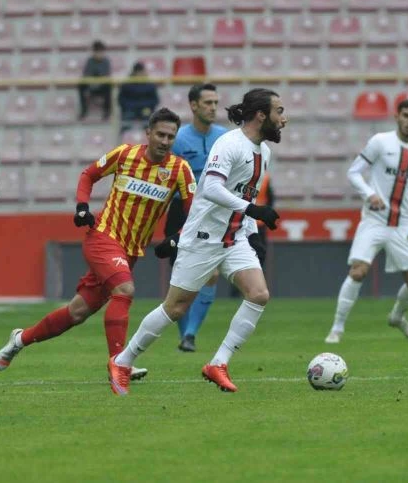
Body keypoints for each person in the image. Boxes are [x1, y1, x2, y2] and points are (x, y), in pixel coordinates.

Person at [107, 88, 287, 396]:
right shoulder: (229, 143)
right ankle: (123, 361)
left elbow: (246, 194)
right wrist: (253, 211)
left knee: (258, 294)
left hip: (233, 238)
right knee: (175, 308)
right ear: (261, 115)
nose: (284, 119)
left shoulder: (264, 152)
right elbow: (212, 188)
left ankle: (218, 363)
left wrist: (253, 234)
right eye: (279, 112)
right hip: (203, 237)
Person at [0, 108, 195, 381]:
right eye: (160, 134)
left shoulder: (180, 170)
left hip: (129, 251)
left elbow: (196, 211)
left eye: (171, 136)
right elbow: (89, 174)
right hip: (103, 236)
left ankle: (19, 340)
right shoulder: (124, 155)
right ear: (148, 133)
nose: (165, 141)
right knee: (124, 290)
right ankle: (119, 363)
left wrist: (177, 237)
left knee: (77, 312)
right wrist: (82, 207)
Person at [324, 99, 408, 344]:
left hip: (403, 224)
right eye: (406, 116)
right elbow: (353, 172)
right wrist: (370, 194)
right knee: (358, 271)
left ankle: (397, 318)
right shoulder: (380, 142)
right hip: (374, 220)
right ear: (397, 117)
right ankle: (337, 329)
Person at [164, 83, 229, 352]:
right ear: (193, 106)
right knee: (181, 275)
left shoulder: (225, 138)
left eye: (215, 103)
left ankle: (190, 334)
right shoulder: (178, 139)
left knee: (211, 274)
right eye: (207, 103)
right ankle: (184, 335)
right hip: (181, 211)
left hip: (214, 213)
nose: (213, 108)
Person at [117, 62, 159, 134]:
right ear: (134, 72)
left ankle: (150, 139)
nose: (140, 74)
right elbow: (121, 100)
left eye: (141, 71)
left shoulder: (150, 84)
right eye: (138, 72)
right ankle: (123, 138)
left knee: (149, 120)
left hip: (145, 109)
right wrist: (130, 106)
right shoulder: (126, 84)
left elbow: (155, 100)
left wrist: (146, 106)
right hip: (130, 109)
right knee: (127, 119)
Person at [78, 40, 112, 121]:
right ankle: (83, 110)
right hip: (91, 85)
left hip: (102, 86)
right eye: (97, 52)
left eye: (101, 52)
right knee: (81, 85)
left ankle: (107, 111)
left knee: (108, 86)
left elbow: (106, 76)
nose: (99, 54)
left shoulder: (106, 61)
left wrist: (99, 77)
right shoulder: (90, 61)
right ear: (94, 52)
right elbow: (86, 75)